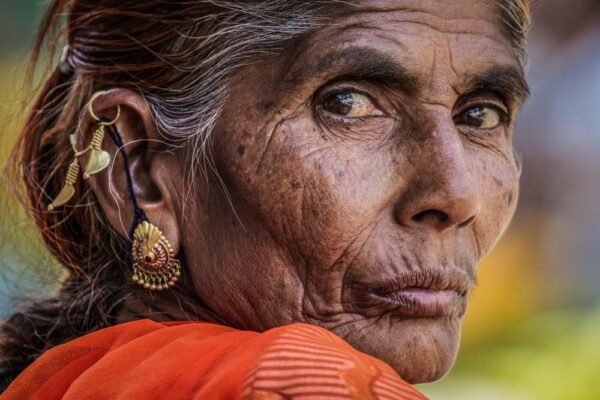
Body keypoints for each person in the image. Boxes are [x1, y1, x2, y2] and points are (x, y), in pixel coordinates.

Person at [0, 0, 531, 398]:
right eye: (347, 104)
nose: (456, 195)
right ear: (138, 171)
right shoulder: (310, 385)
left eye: (480, 115)